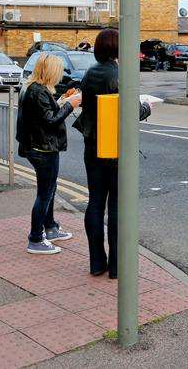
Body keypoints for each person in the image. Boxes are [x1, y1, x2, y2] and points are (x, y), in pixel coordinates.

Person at [77, 29, 151, 278]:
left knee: (95, 202)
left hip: (93, 146)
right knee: (117, 205)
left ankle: (97, 262)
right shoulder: (121, 75)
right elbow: (131, 114)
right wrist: (147, 107)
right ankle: (118, 267)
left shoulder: (89, 74)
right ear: (118, 49)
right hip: (116, 148)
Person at [17, 54, 81, 255]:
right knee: (45, 193)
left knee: (49, 190)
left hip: (39, 147)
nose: (61, 75)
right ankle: (35, 238)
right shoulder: (37, 91)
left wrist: (62, 100)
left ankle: (51, 227)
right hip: (42, 149)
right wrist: (71, 105)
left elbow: (44, 112)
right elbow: (51, 120)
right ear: (50, 71)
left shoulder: (35, 88)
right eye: (59, 70)